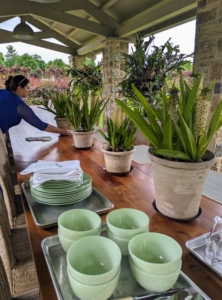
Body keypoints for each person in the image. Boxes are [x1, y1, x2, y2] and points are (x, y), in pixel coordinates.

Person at [0, 75, 71, 135]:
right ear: (19, 88)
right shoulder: (19, 105)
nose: (29, 90)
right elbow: (40, 124)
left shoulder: (2, 92)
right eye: (27, 88)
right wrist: (61, 131)